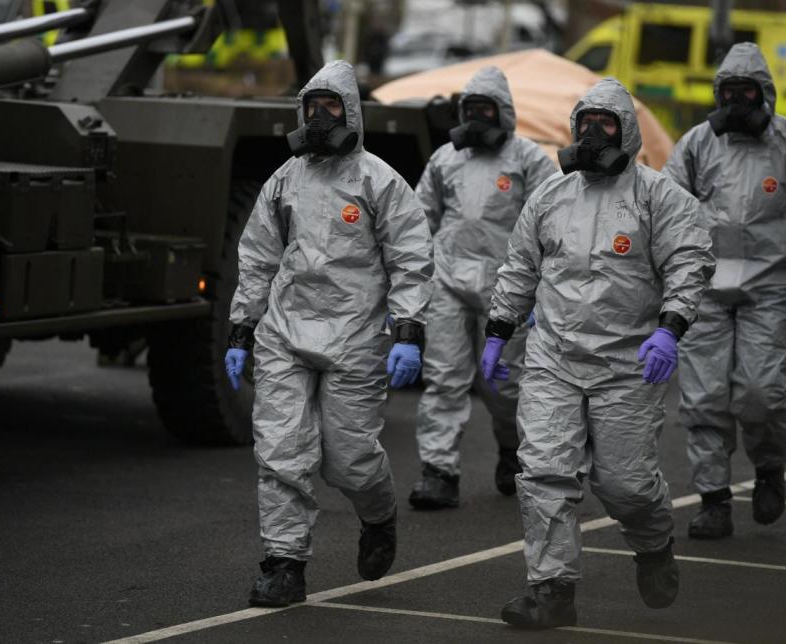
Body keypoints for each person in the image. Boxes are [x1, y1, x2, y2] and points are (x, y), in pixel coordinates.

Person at [482, 78, 715, 628]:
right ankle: (551, 590)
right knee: (542, 472)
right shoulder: (549, 196)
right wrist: (498, 331)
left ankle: (654, 544)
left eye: (605, 124)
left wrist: (670, 329)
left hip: (627, 366)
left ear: (627, 131)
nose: (592, 134)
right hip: (553, 358)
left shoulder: (659, 198)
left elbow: (690, 263)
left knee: (624, 485)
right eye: (584, 122)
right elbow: (519, 268)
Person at [225, 60, 434, 607]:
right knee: (281, 453)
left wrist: (408, 330)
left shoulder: (380, 181)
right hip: (286, 335)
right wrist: (242, 327)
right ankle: (283, 563)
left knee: (349, 460)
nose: (320, 117)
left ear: (352, 113)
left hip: (356, 337)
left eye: (332, 107)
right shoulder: (284, 180)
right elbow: (257, 257)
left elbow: (412, 258)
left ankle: (379, 515)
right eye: (312, 107)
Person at [664, 43, 786, 540]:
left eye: (747, 92)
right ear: (717, 93)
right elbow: (665, 210)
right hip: (705, 289)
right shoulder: (697, 144)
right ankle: (713, 500)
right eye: (729, 92)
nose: (737, 101)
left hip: (772, 287)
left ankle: (768, 467)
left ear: (766, 93)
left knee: (760, 394)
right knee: (703, 399)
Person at [410, 66, 556, 509]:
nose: (475, 118)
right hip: (449, 283)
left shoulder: (529, 159)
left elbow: (553, 223)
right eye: (469, 109)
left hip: (506, 289)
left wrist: (541, 291)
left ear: (504, 112)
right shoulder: (445, 160)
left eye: (484, 109)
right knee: (444, 380)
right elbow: (420, 221)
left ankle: (513, 450)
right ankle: (439, 472)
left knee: (503, 387)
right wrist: (412, 283)